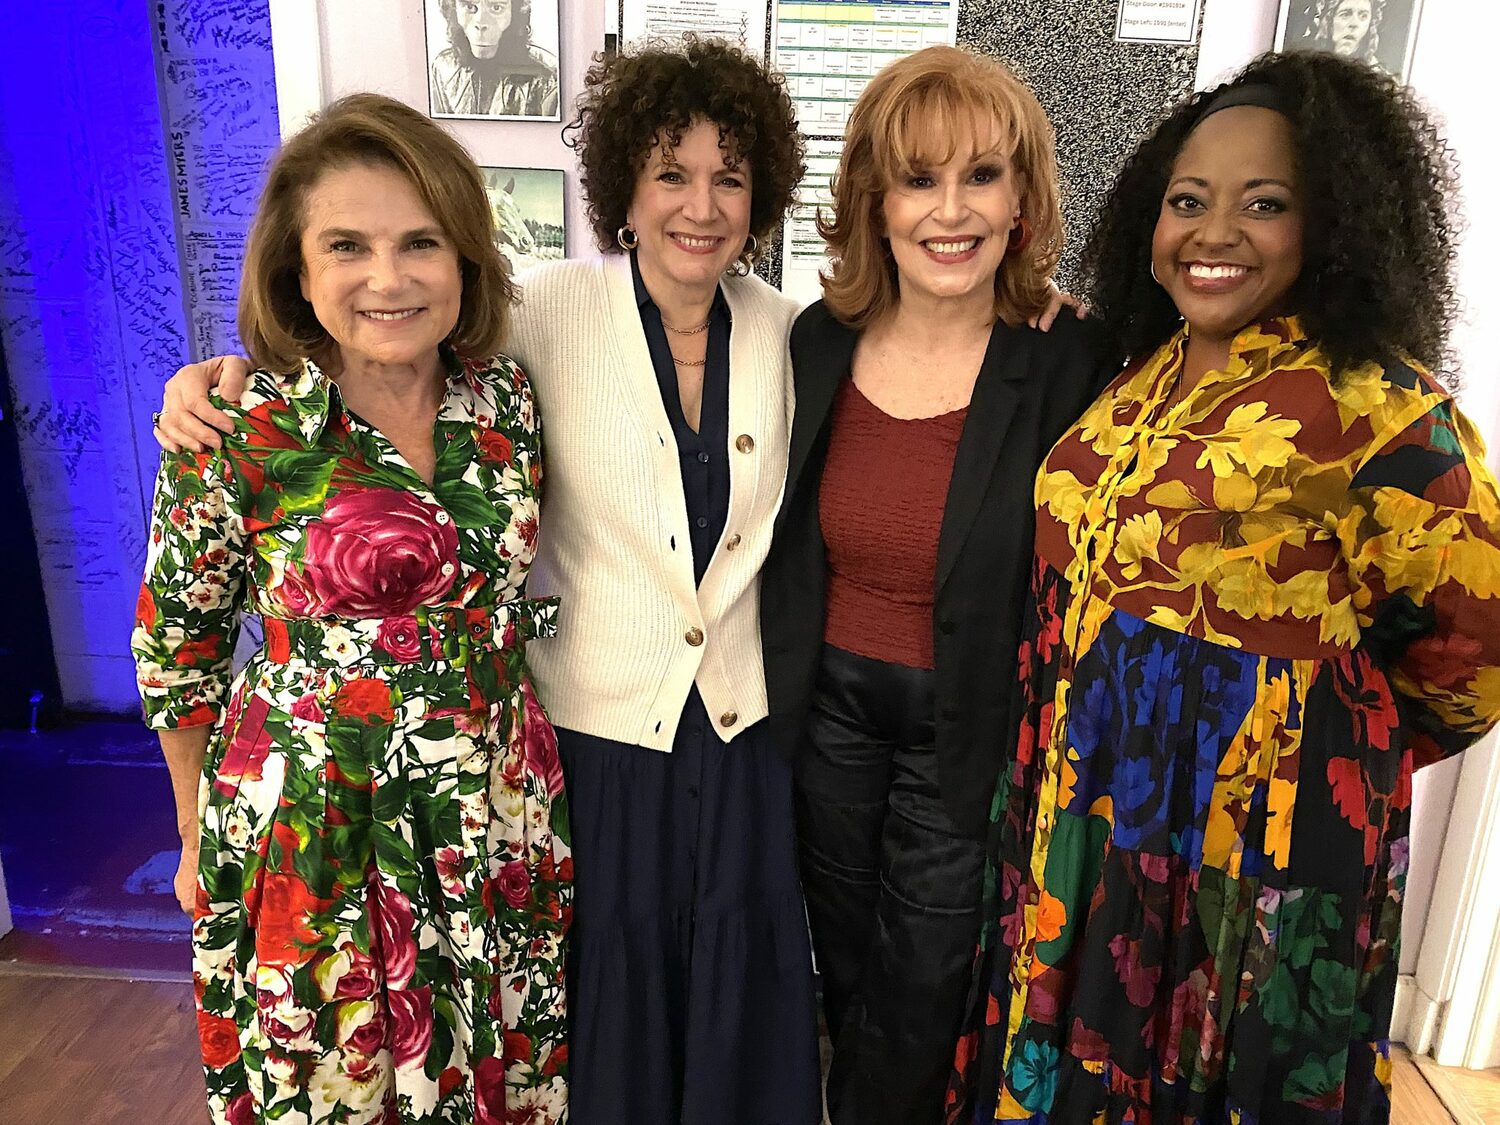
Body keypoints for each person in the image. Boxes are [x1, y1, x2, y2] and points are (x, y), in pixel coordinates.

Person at [154, 39, 821, 1125]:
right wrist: (206, 373)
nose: (699, 204)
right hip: (379, 804)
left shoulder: (764, 342)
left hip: (515, 799)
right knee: (363, 1072)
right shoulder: (535, 323)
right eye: (667, 171)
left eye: (729, 176)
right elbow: (176, 649)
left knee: (511, 1063)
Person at [948, 51, 1500, 1124]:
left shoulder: (1387, 416)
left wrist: (1318, 748)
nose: (1213, 232)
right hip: (1080, 825)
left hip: (1246, 877)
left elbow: (1471, 658)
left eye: (1266, 203)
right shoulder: (1135, 374)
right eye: (1187, 202)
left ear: (1333, 221)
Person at [132, 94, 570, 1125]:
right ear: (298, 270)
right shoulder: (237, 427)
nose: (389, 277)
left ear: (464, 257)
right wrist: (194, 835)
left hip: (493, 811)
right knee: (341, 1082)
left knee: (495, 1071)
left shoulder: (505, 399)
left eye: (421, 242)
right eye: (348, 246)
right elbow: (177, 653)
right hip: (312, 826)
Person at [758, 46, 1104, 1125]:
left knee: (920, 990)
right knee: (847, 970)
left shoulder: (1071, 358)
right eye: (918, 179)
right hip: (827, 718)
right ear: (873, 198)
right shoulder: (817, 340)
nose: (949, 211)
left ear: (1022, 198)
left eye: (982, 177)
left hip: (968, 727)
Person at [429, 0, 559, 118]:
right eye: (469, 6)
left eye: (496, 8)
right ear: (453, 9)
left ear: (515, 12)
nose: (480, 23)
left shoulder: (548, 76)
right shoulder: (442, 67)